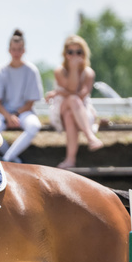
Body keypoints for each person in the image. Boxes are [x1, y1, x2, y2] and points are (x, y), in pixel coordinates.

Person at [45, 35, 103, 169]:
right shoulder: (59, 71)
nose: (74, 55)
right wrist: (73, 69)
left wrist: (59, 92)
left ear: (84, 53)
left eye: (78, 52)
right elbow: (72, 90)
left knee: (70, 115)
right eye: (70, 52)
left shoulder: (89, 73)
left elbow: (82, 95)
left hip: (80, 110)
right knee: (72, 100)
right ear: (65, 54)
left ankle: (70, 160)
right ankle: (90, 137)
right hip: (60, 109)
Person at [0, 29, 43, 163]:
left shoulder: (31, 71)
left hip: (24, 112)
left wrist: (16, 115)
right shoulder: (1, 71)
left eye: (19, 49)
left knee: (34, 126)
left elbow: (30, 103)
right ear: (9, 50)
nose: (16, 53)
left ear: (24, 50)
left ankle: (7, 159)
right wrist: (8, 116)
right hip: (3, 113)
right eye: (14, 49)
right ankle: (15, 160)